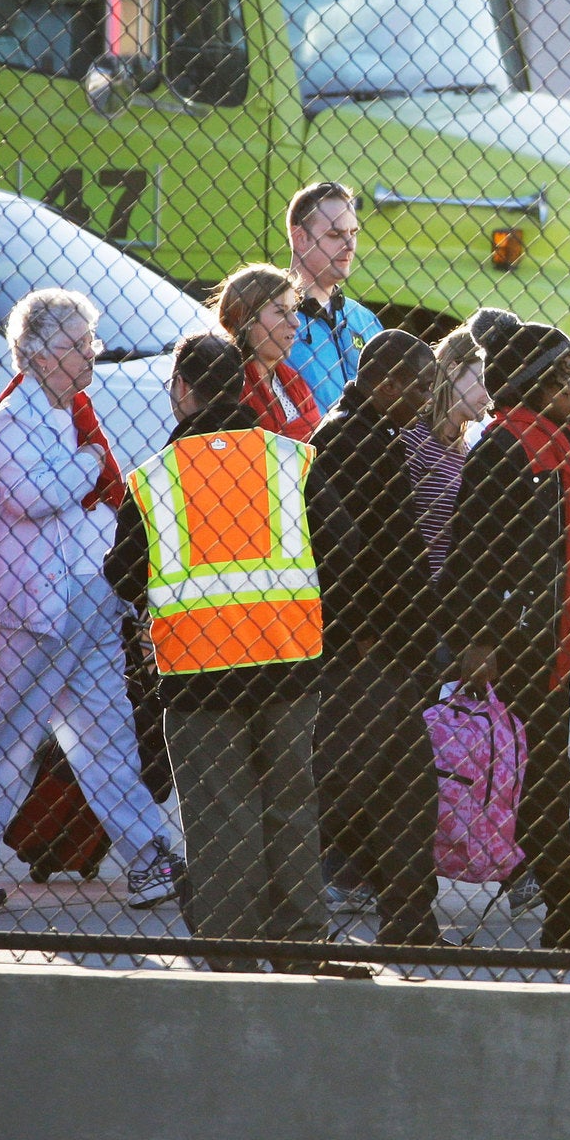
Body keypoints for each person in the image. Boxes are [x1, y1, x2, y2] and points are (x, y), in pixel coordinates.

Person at [106, 334, 361, 975]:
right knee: (292, 801)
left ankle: (230, 947)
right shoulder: (289, 461)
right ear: (244, 387)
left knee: (221, 810)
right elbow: (344, 548)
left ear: (182, 390)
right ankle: (301, 937)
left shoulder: (154, 476)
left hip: (197, 671)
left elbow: (123, 573)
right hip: (288, 660)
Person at [0, 290, 181, 910]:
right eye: (77, 344)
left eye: (89, 341)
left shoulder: (70, 412)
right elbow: (34, 496)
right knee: (9, 741)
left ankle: (150, 857)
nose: (90, 354)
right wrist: (90, 461)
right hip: (31, 609)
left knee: (108, 736)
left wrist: (85, 463)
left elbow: (80, 499)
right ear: (37, 356)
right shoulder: (14, 418)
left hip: (83, 601)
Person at [442, 319, 570, 948]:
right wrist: (479, 640)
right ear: (537, 385)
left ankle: (568, 910)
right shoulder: (508, 447)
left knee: (545, 775)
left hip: (550, 636)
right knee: (544, 777)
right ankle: (569, 912)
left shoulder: (563, 444)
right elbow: (475, 553)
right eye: (568, 376)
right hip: (519, 644)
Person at [309, 330, 443, 948]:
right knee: (342, 787)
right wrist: (362, 631)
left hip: (389, 648)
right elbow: (341, 547)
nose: (424, 398)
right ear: (385, 383)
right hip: (367, 653)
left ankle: (410, 923)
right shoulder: (348, 440)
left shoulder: (369, 435)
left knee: (407, 788)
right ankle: (265, 899)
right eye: (417, 385)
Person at [399, 322, 488, 582]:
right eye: (484, 379)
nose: (492, 392)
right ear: (453, 368)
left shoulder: (466, 447)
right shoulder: (413, 437)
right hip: (418, 588)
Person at [284, 181, 382, 411]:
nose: (349, 245)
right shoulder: (270, 319)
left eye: (353, 233)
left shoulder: (365, 321)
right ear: (300, 239)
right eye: (335, 234)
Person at [216, 263, 320, 443]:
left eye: (293, 309)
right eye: (281, 312)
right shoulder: (229, 387)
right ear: (247, 318)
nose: (295, 322)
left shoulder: (295, 382)